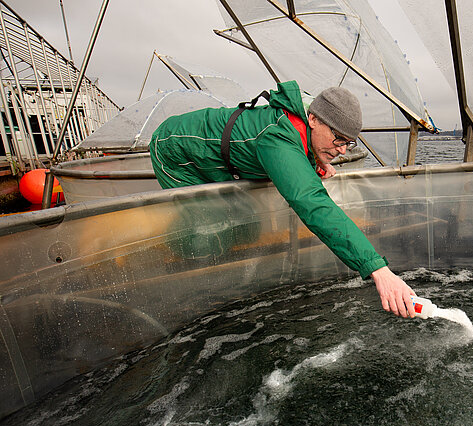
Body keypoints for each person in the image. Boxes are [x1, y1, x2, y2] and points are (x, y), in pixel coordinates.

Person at [149, 80, 416, 318]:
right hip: (176, 151)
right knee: (203, 232)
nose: (342, 150)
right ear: (313, 120)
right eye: (337, 139)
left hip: (217, 161)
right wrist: (377, 269)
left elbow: (303, 147)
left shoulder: (305, 121)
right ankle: (164, 261)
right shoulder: (277, 137)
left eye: (349, 143)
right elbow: (312, 203)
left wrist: (315, 161)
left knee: (247, 228)